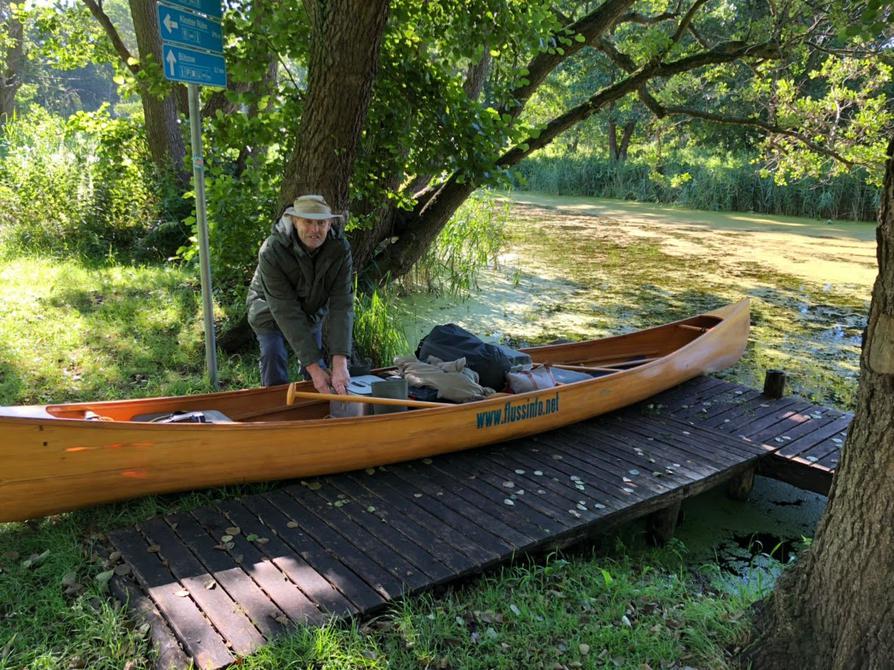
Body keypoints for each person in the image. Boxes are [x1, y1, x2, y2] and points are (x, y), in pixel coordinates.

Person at [246, 194, 354, 394]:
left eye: (321, 223)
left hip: (312, 312)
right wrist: (314, 367)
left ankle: (320, 403)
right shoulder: (271, 251)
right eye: (308, 222)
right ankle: (276, 405)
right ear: (295, 221)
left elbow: (342, 304)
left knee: (318, 367)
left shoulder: (340, 249)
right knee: (274, 354)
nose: (315, 229)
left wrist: (340, 361)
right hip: (268, 310)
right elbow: (286, 311)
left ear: (329, 224)